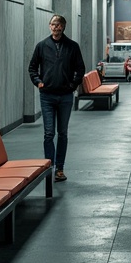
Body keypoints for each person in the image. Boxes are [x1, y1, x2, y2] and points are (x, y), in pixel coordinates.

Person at [27, 14, 85, 183]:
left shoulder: (72, 47)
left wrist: (72, 86)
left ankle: (59, 169)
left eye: (59, 25)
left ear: (63, 27)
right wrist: (38, 82)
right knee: (48, 133)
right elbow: (32, 68)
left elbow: (80, 69)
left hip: (66, 96)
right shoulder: (42, 46)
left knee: (63, 133)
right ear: (49, 26)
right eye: (53, 24)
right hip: (47, 96)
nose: (55, 27)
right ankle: (49, 168)